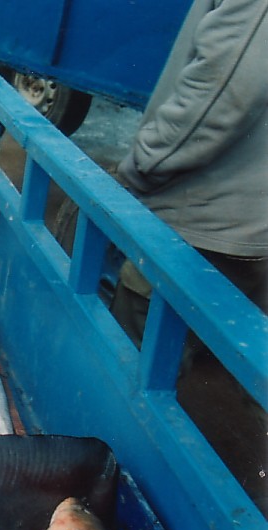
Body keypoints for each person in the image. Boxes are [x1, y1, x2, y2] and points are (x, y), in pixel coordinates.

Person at [110, 0, 268, 347]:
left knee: (133, 368)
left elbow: (225, 89)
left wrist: (143, 166)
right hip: (248, 219)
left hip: (209, 216)